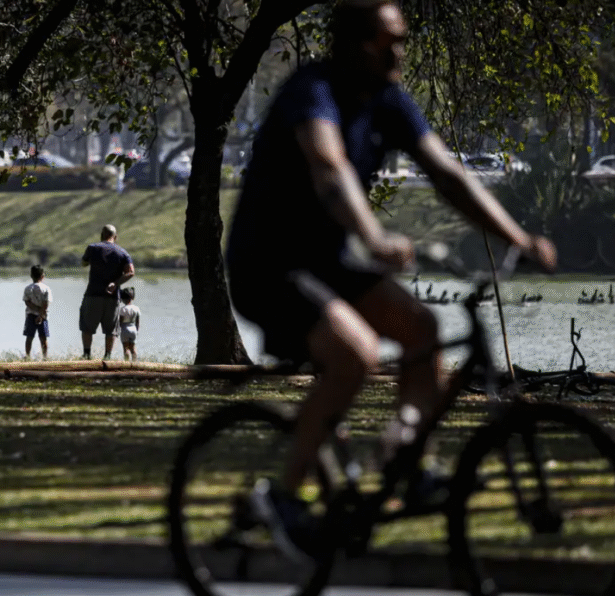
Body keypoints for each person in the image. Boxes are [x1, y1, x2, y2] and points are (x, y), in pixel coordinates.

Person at [225, 0, 557, 559]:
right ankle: (281, 496)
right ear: (354, 44)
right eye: (387, 41)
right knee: (355, 354)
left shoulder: (388, 100)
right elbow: (329, 168)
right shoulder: (315, 92)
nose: (398, 51)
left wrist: (517, 236)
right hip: (269, 265)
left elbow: (448, 173)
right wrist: (374, 237)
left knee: (422, 327)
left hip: (326, 262)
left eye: (401, 39)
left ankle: (406, 456)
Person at [79, 224, 135, 360]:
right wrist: (115, 284)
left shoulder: (92, 248)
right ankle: (107, 356)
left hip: (93, 294)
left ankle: (87, 354)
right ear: (115, 237)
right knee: (111, 330)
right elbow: (131, 272)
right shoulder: (123, 253)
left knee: (87, 327)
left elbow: (83, 263)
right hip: (112, 296)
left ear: (102, 235)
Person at [22, 264, 52, 359]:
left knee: (29, 337)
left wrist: (36, 310)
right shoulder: (46, 288)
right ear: (42, 276)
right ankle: (45, 357)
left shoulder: (28, 288)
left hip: (31, 315)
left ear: (31, 276)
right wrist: (41, 314)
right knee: (43, 338)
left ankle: (27, 356)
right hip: (43, 317)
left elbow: (27, 302)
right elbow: (46, 303)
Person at [118, 287, 141, 361]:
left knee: (126, 349)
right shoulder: (136, 308)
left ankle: (127, 363)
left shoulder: (123, 309)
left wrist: (118, 329)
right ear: (132, 298)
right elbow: (137, 321)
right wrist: (137, 330)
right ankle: (134, 364)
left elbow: (120, 321)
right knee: (133, 349)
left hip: (125, 329)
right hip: (133, 328)